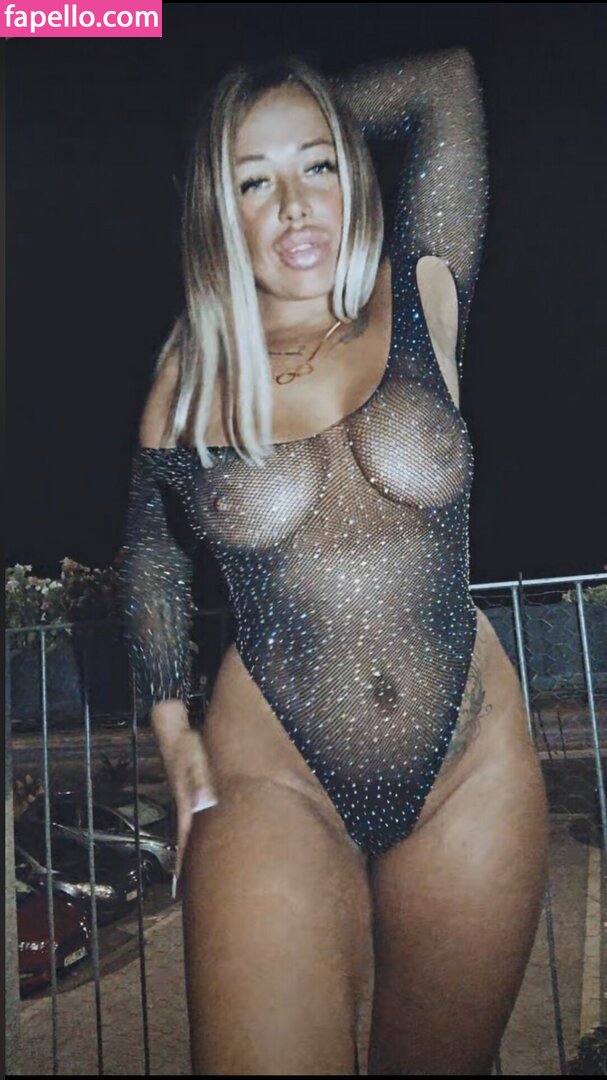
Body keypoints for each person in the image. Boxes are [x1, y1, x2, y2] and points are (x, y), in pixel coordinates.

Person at [119, 47, 550, 1076]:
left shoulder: (422, 299)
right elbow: (151, 552)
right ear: (216, 211)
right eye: (252, 184)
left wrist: (275, 122)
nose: (294, 206)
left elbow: (447, 84)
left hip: (470, 769)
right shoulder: (192, 373)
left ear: (352, 177)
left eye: (317, 166)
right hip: (273, 774)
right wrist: (171, 724)